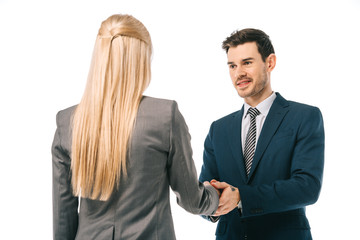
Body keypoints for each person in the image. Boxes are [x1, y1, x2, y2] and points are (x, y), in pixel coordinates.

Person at [51, 14, 220, 240]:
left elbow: (64, 217)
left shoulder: (68, 121)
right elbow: (192, 200)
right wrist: (218, 195)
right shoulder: (165, 116)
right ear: (139, 61)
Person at [199, 28, 325, 240]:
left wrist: (241, 197)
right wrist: (208, 201)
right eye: (232, 65)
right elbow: (204, 192)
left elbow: (307, 187)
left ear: (270, 63)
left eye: (247, 62)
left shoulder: (304, 117)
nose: (238, 73)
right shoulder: (218, 129)